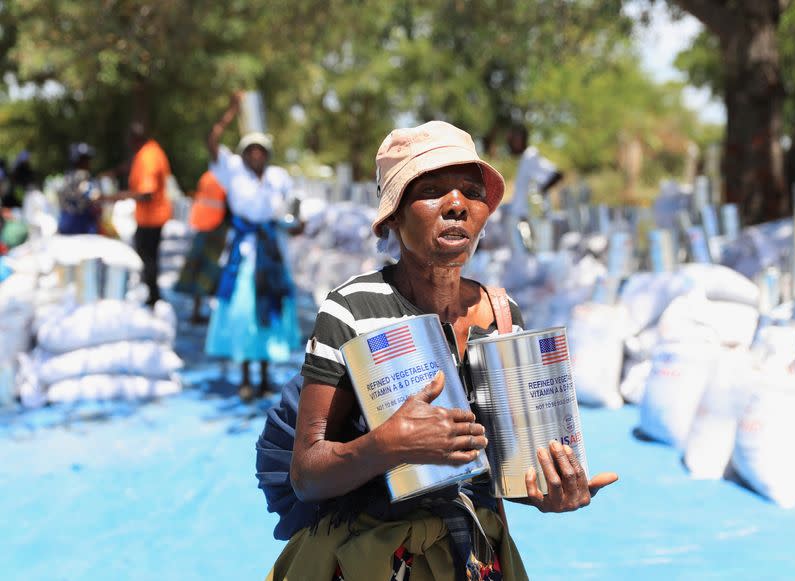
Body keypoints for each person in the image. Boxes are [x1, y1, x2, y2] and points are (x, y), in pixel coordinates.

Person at [267, 121, 618, 579]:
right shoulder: (352, 309)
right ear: (393, 214)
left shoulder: (500, 313)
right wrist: (388, 445)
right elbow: (307, 474)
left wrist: (549, 491)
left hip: (473, 557)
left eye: (471, 192)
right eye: (432, 190)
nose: (456, 205)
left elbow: (499, 474)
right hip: (375, 560)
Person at [205, 93, 302, 401]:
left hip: (271, 253)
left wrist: (297, 225)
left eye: (261, 150)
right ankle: (245, 376)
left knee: (270, 309)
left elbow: (291, 214)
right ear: (243, 154)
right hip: (245, 254)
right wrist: (231, 111)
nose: (256, 155)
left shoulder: (278, 178)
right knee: (244, 312)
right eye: (251, 150)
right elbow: (212, 142)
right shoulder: (232, 172)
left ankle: (263, 375)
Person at [174, 170, 229, 324]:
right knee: (207, 271)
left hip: (203, 226)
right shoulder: (226, 177)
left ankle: (196, 312)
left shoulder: (207, 175)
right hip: (215, 230)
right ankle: (204, 314)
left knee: (198, 270)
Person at [127, 122, 173, 307]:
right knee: (149, 257)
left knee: (147, 257)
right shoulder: (151, 152)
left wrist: (113, 197)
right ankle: (152, 294)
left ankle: (153, 297)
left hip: (151, 217)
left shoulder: (148, 156)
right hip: (152, 216)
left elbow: (146, 193)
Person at [505, 124, 563, 256]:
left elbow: (556, 175)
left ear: (520, 139)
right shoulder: (525, 159)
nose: (509, 144)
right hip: (523, 220)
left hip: (531, 221)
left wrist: (539, 196)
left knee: (537, 258)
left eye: (512, 140)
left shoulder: (530, 156)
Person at [57, 143, 103, 235]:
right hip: (81, 226)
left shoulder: (66, 177)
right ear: (79, 161)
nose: (89, 163)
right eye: (86, 159)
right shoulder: (83, 176)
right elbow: (95, 196)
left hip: (64, 224)